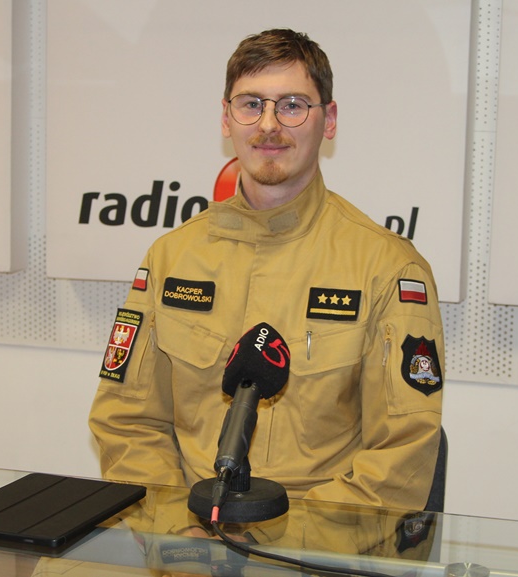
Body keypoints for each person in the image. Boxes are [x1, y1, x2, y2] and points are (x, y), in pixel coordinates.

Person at [89, 28, 445, 519]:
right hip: (185, 533)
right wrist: (174, 533)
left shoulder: (387, 267)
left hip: (317, 541)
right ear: (226, 117)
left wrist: (291, 545)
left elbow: (401, 455)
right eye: (251, 104)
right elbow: (126, 422)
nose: (269, 125)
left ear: (329, 120)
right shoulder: (171, 257)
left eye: (293, 105)